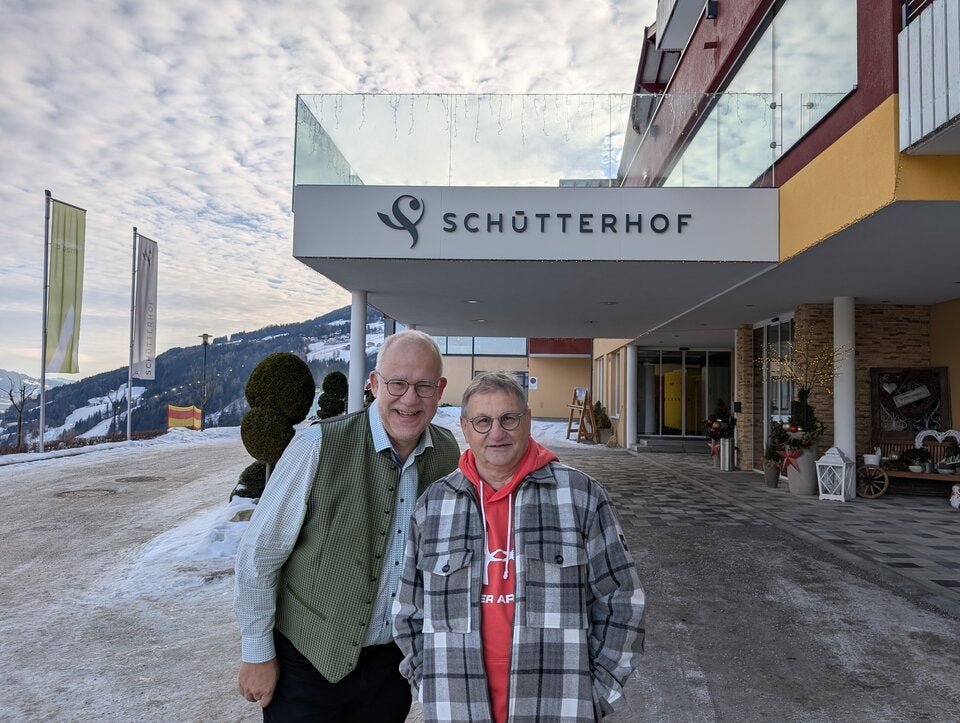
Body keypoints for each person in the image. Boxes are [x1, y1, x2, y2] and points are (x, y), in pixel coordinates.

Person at [235, 329, 460, 721]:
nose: (410, 399)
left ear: (439, 389)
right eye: (397, 383)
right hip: (307, 663)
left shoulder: (447, 453)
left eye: (423, 386)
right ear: (374, 384)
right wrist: (257, 653)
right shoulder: (317, 445)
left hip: (392, 667)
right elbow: (259, 554)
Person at [393, 371, 645, 722]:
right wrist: (430, 686)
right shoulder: (433, 505)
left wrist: (596, 694)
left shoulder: (581, 496)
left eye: (508, 418)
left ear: (527, 421)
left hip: (559, 708)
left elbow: (622, 601)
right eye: (482, 421)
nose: (496, 432)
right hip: (455, 708)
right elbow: (408, 610)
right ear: (465, 428)